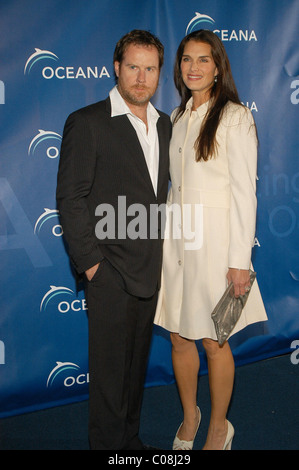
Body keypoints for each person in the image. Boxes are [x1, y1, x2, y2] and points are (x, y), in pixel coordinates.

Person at [56, 30, 171, 450]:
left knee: (133, 372)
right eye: (133, 67)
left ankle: (131, 444)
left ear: (160, 73)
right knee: (108, 380)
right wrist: (92, 266)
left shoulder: (165, 127)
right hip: (109, 274)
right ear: (117, 68)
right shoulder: (87, 122)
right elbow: (71, 199)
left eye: (150, 68)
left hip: (149, 271)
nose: (141, 78)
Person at [154, 29, 267, 450]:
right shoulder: (177, 117)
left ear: (217, 67)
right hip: (178, 243)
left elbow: (244, 192)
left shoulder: (235, 116)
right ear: (179, 69)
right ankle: (191, 415)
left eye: (203, 59)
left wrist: (240, 261)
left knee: (213, 340)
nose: (194, 67)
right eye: (187, 60)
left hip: (218, 249)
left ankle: (219, 425)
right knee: (179, 337)